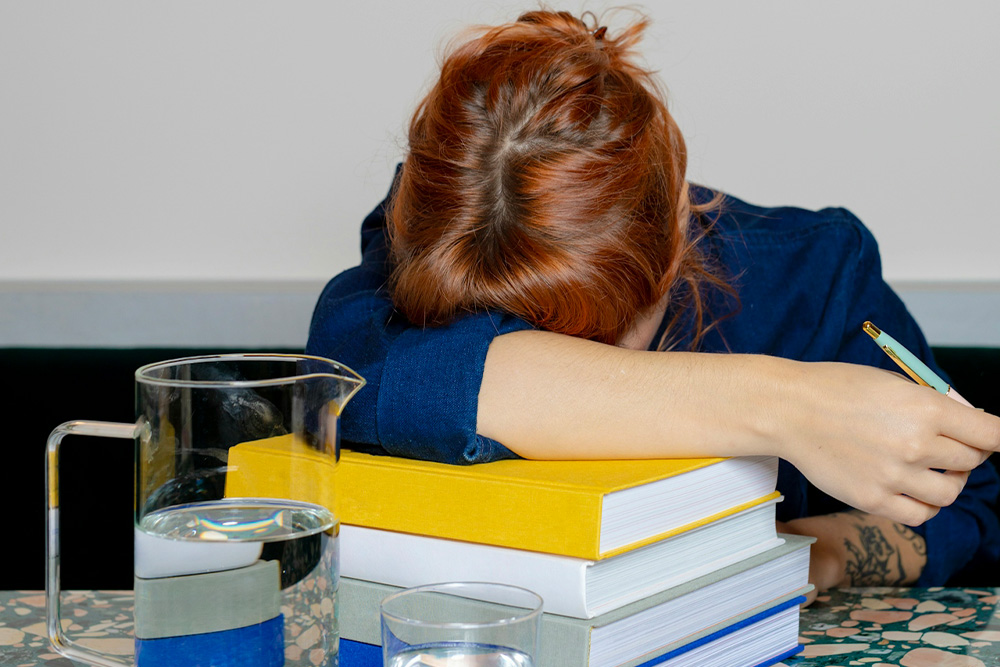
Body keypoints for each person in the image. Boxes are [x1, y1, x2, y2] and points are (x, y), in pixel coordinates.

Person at [307, 9, 1000, 596]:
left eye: (606, 331)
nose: (586, 367)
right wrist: (783, 404)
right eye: (529, 336)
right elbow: (359, 375)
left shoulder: (811, 271)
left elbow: (971, 508)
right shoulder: (445, 232)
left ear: (678, 217)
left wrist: (820, 550)